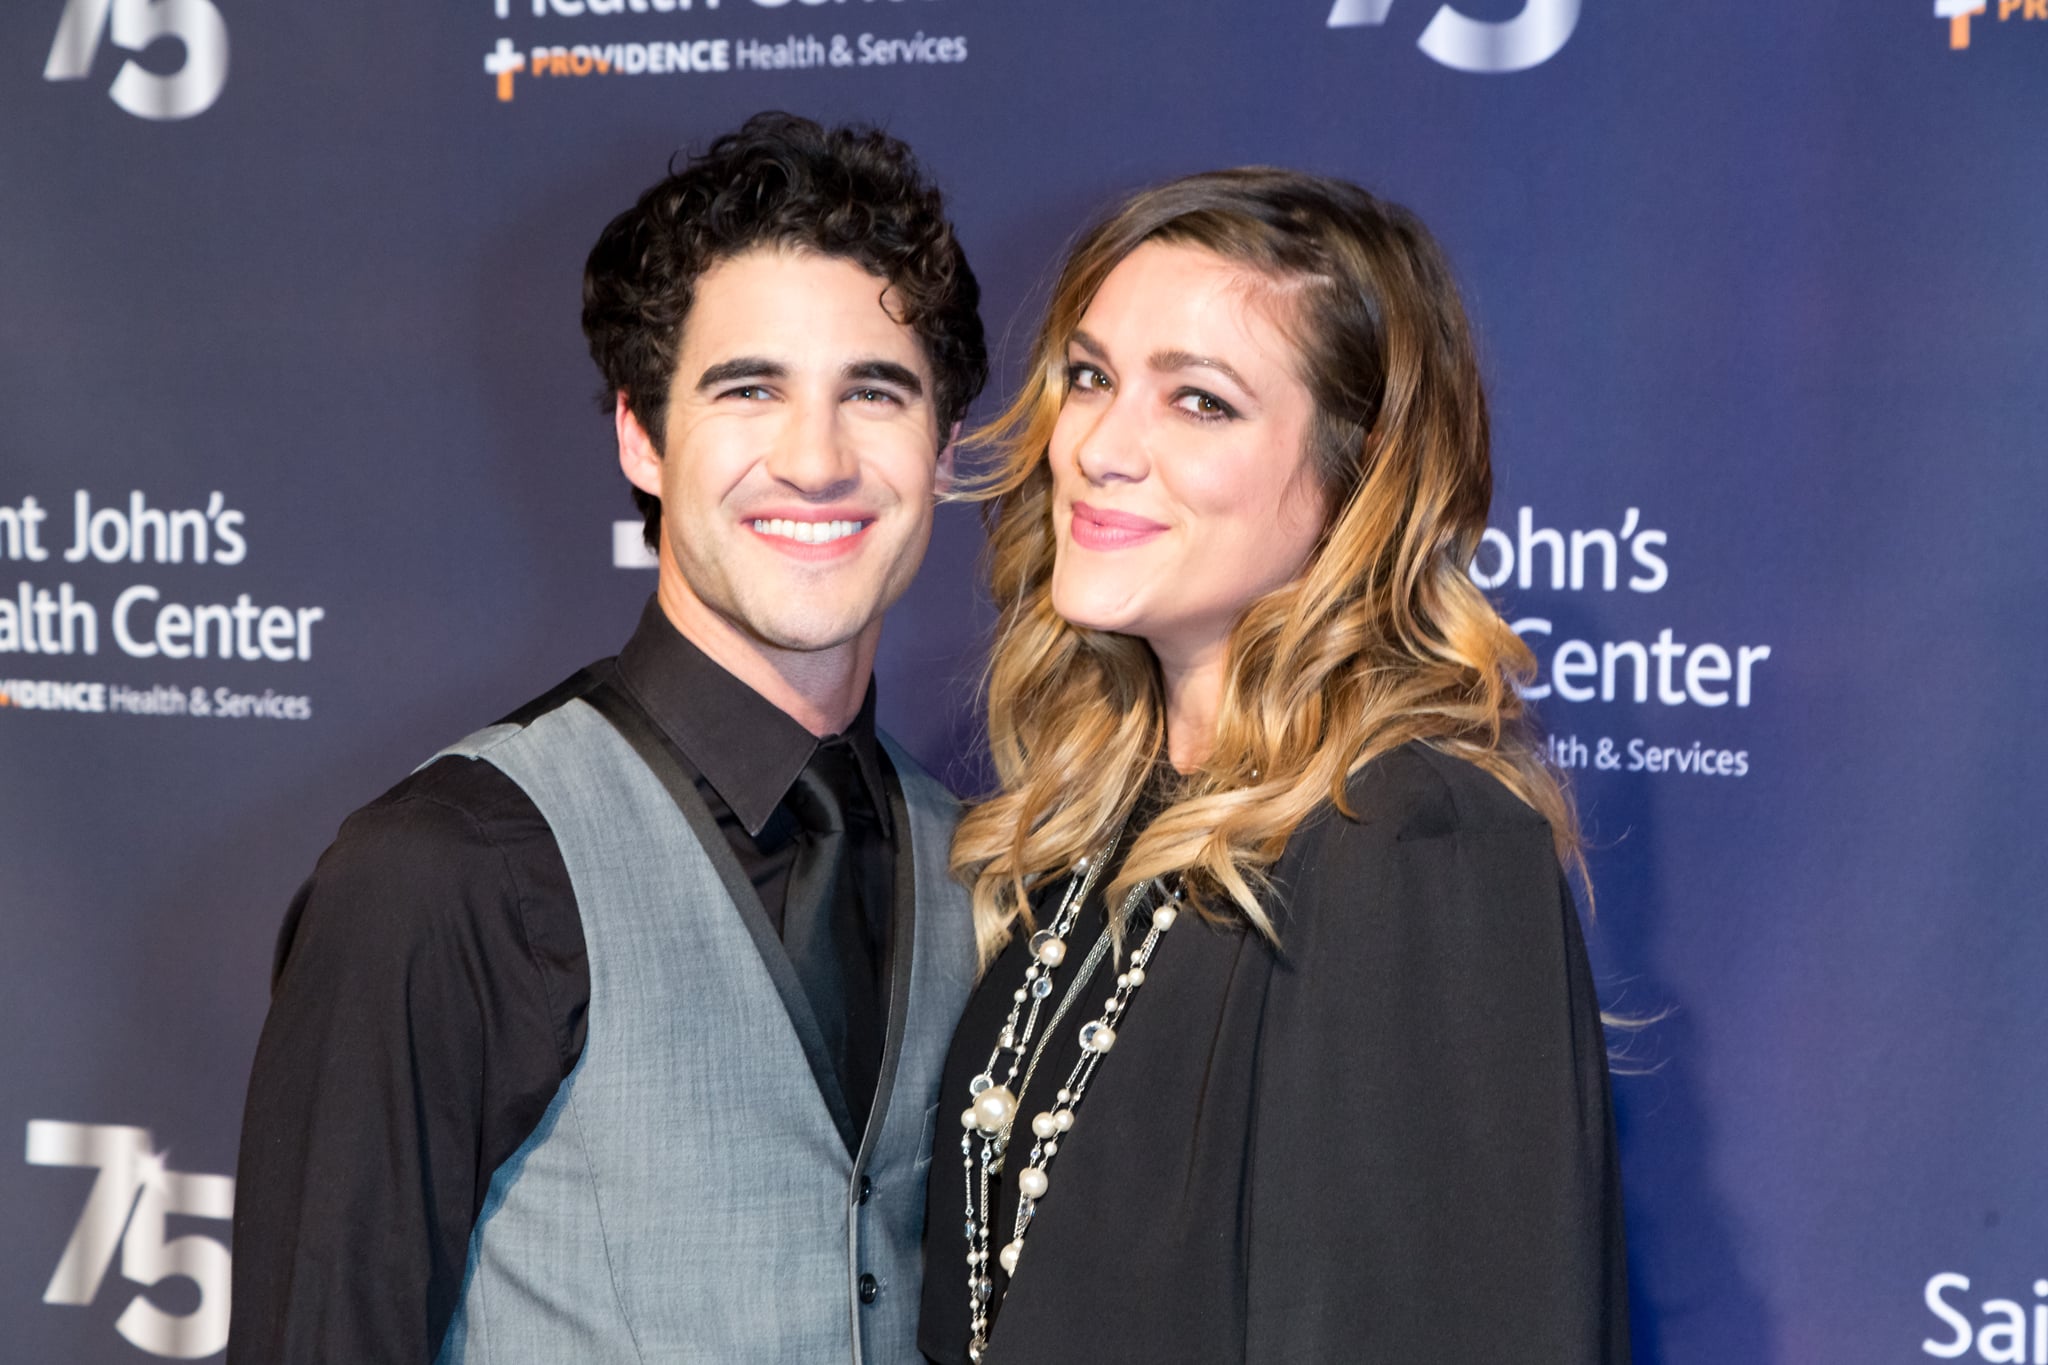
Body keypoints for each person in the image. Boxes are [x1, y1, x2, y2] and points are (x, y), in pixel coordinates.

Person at [229, 112, 987, 1365]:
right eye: (749, 390)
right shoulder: (445, 866)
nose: (815, 459)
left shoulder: (975, 865)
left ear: (945, 446)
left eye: (875, 392)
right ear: (641, 433)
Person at [918, 168, 1629, 1363]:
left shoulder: (1415, 843)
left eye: (1198, 403)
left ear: (1356, 481)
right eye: (1090, 378)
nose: (1099, 446)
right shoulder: (1091, 815)